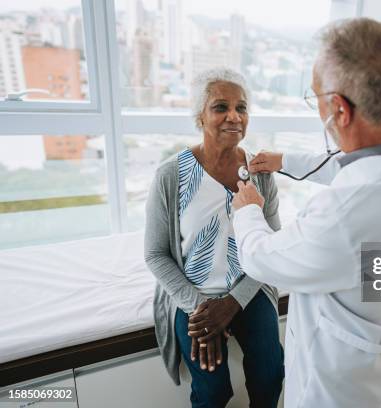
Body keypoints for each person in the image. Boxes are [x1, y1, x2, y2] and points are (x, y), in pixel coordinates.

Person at [228, 18, 381, 407]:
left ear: (340, 110)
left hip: (331, 388)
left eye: (315, 98)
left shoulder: (343, 215)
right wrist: (285, 160)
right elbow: (355, 164)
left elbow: (263, 259)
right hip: (375, 359)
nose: (316, 110)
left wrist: (248, 212)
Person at [144, 68, 284, 408]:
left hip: (248, 288)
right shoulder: (171, 174)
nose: (234, 116)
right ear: (200, 116)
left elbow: (271, 248)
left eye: (242, 108)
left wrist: (233, 303)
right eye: (221, 107)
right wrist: (200, 309)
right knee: (212, 391)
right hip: (195, 294)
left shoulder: (259, 173)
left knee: (271, 375)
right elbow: (156, 254)